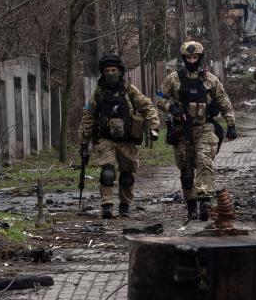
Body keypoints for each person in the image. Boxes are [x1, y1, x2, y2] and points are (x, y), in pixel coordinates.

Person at [156, 41, 238, 221]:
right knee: (186, 170)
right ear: (183, 58)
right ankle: (191, 204)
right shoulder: (173, 79)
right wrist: (172, 108)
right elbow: (159, 99)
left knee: (204, 161)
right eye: (188, 57)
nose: (192, 60)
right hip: (182, 131)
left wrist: (231, 124)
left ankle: (205, 202)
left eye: (195, 57)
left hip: (205, 128)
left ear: (200, 58)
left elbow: (224, 101)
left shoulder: (210, 79)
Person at [78, 54, 160, 219]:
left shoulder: (129, 90)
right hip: (105, 139)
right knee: (107, 172)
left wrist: (154, 127)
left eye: (113, 70)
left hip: (127, 140)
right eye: (107, 70)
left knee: (127, 176)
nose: (110, 73)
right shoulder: (99, 92)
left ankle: (125, 205)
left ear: (119, 71)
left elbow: (147, 106)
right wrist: (83, 140)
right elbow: (89, 115)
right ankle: (107, 206)